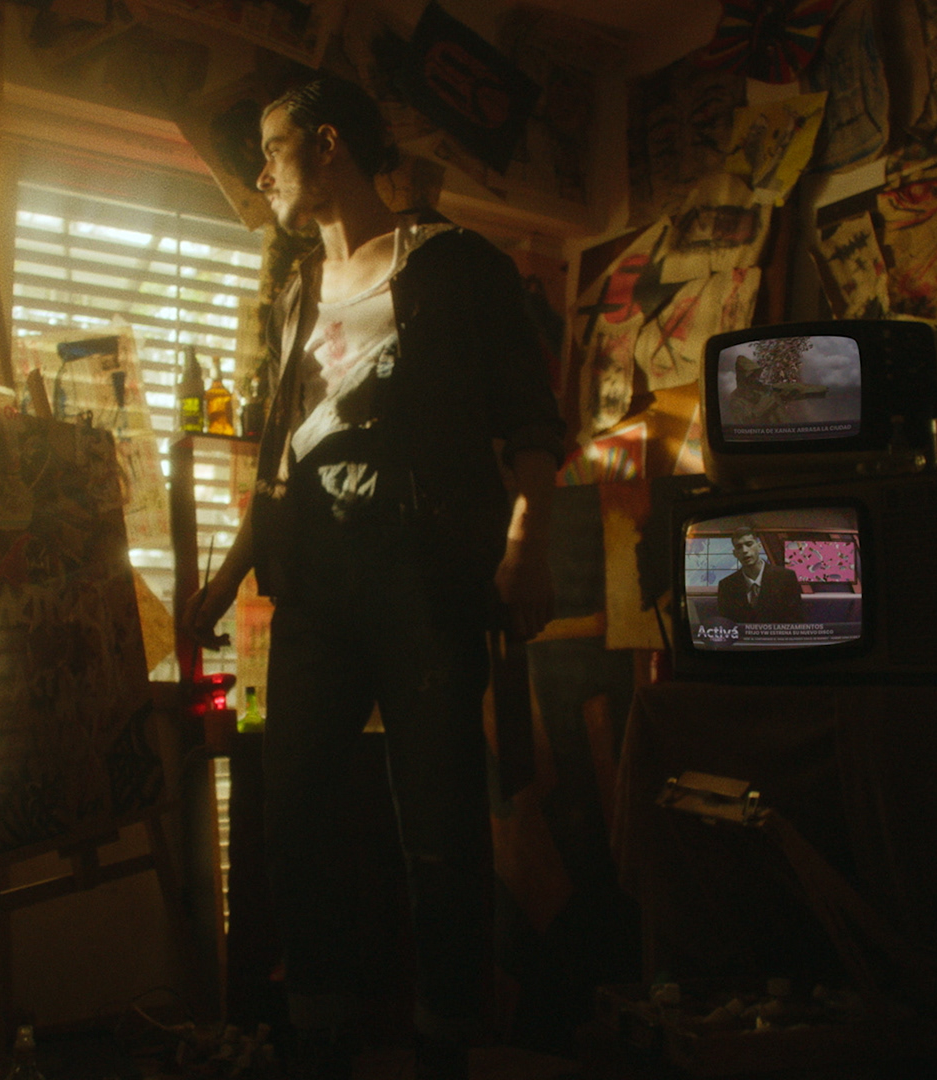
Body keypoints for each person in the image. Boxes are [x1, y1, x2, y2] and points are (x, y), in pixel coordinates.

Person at [177, 76, 563, 1080]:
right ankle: (319, 1030)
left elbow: (530, 419)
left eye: (272, 150)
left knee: (438, 820)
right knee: (294, 811)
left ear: (329, 144)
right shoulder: (296, 292)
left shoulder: (455, 266)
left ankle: (445, 1037)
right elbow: (281, 458)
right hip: (313, 591)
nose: (262, 175)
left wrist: (526, 545)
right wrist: (223, 583)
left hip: (424, 583)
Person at [714, 528, 805, 623]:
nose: (744, 550)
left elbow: (796, 622)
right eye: (739, 547)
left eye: (749, 544)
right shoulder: (727, 585)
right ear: (735, 553)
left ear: (759, 546)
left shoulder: (786, 578)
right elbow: (726, 625)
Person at [725, 354, 829, 427]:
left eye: (756, 375)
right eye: (751, 376)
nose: (755, 379)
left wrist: (824, 390)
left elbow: (796, 388)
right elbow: (745, 425)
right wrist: (766, 401)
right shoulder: (736, 400)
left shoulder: (765, 389)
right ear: (743, 378)